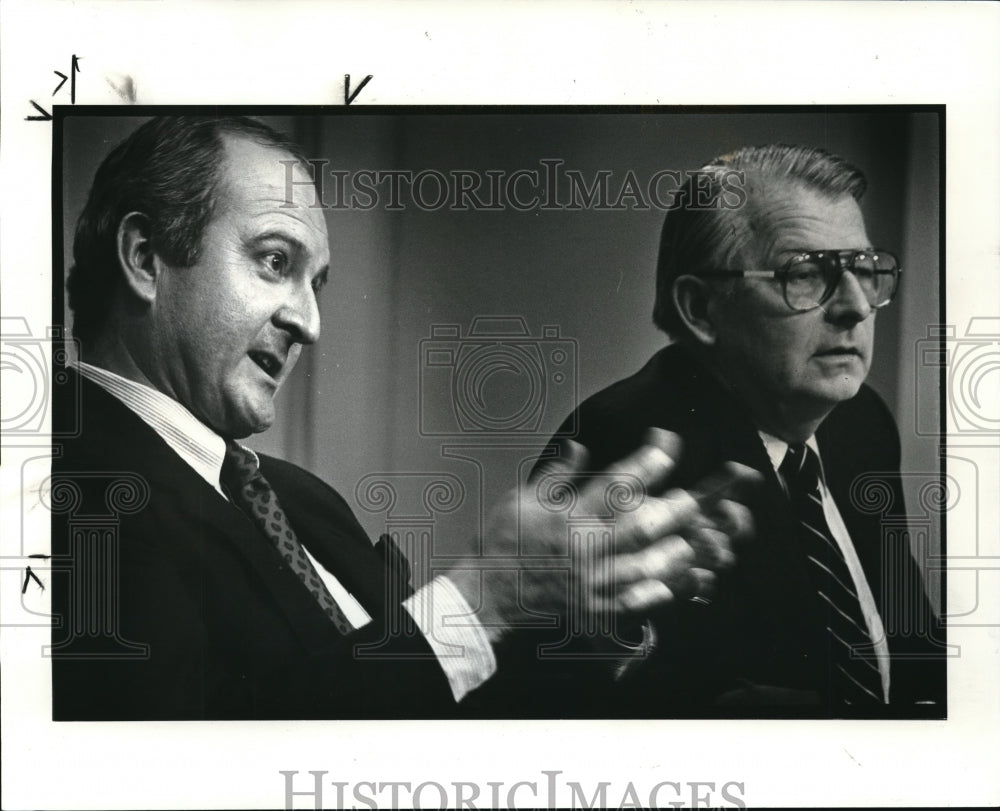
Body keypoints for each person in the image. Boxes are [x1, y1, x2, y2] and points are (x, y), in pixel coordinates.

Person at [49, 116, 755, 720]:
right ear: (146, 258)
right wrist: (485, 593)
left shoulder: (298, 497)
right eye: (274, 262)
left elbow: (436, 695)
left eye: (316, 284)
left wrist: (586, 618)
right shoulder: (56, 492)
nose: (310, 322)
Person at [540, 144, 946, 717]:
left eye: (862, 269)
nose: (856, 307)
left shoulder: (862, 420)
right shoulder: (623, 452)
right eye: (805, 274)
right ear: (702, 309)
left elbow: (911, 642)